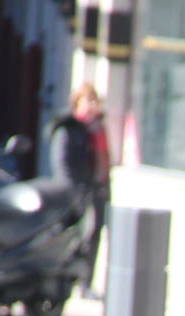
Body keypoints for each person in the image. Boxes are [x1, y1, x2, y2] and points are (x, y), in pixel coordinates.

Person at [48, 82, 111, 293]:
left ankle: (85, 282)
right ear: (77, 103)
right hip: (74, 193)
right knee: (73, 236)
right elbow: (63, 164)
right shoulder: (68, 128)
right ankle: (62, 280)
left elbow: (103, 160)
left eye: (95, 101)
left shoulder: (96, 129)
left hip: (95, 190)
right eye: (88, 101)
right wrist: (74, 190)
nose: (93, 106)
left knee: (94, 235)